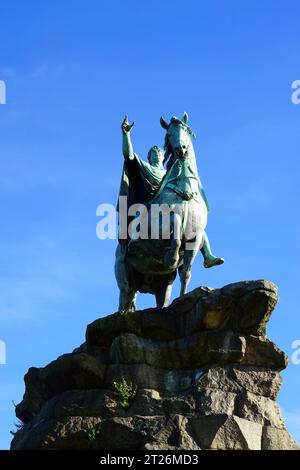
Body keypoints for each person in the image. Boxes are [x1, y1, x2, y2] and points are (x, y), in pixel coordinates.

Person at [119, 116, 224, 268]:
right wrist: (126, 135)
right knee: (139, 212)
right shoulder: (147, 167)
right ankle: (135, 240)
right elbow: (128, 155)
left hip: (171, 202)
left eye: (158, 152)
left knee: (195, 219)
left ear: (163, 156)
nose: (156, 154)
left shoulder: (170, 172)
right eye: (153, 153)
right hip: (151, 200)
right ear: (149, 157)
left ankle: (207, 254)